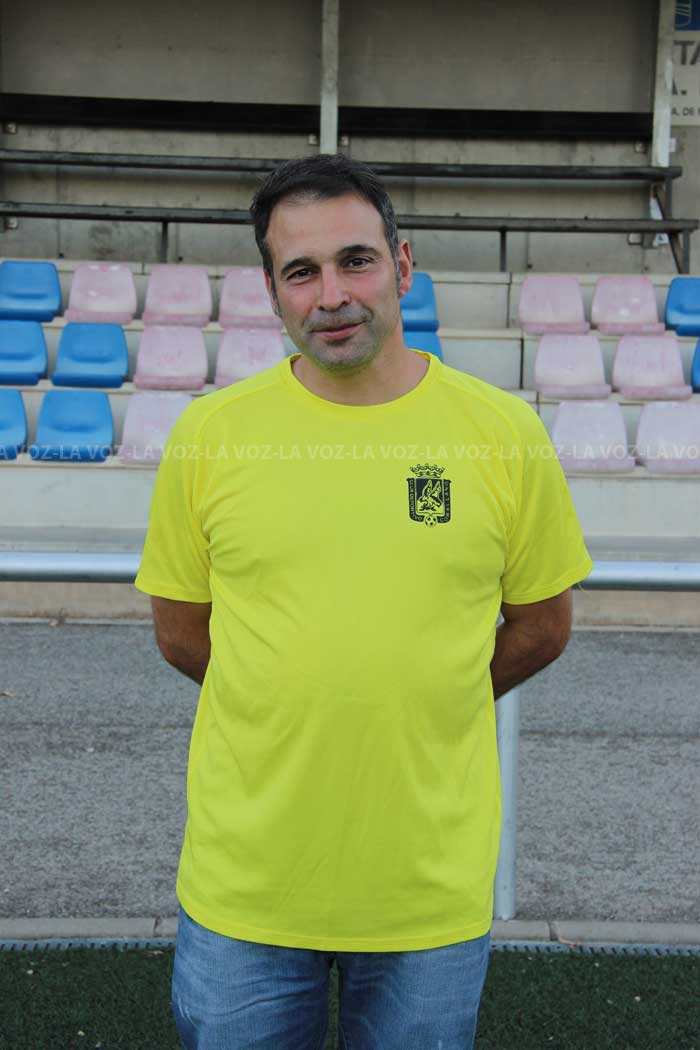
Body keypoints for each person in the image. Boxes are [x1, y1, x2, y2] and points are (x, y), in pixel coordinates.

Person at [134, 153, 593, 1050]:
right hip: (247, 885)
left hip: (426, 888)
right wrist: (287, 695)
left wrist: (429, 693)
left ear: (403, 265)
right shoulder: (209, 436)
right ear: (272, 292)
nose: (333, 295)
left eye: (356, 260)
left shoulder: (504, 433)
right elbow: (183, 633)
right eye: (301, 272)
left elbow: (542, 626)